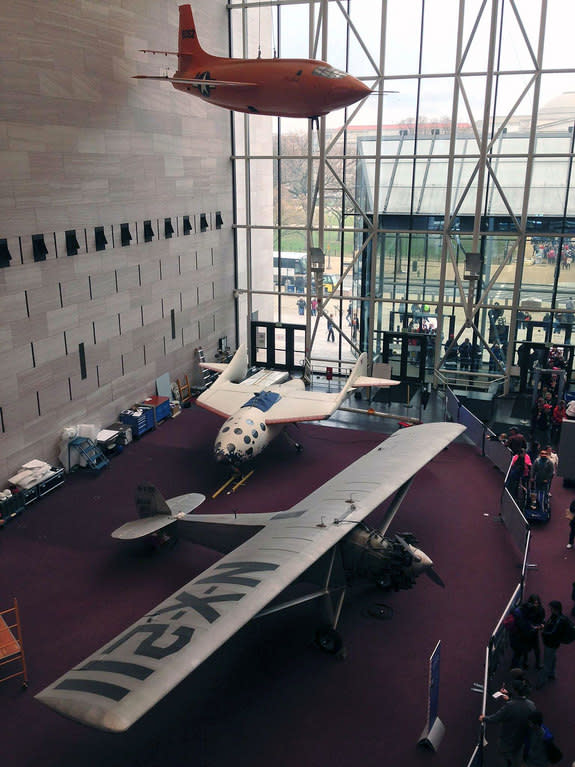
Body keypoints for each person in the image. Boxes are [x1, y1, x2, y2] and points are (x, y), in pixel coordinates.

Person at [479, 679, 535, 767]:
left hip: (508, 737)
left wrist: (484, 718)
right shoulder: (531, 705)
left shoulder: (510, 706)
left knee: (507, 755)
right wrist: (509, 697)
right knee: (517, 755)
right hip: (522, 737)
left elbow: (496, 718)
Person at [539, 600, 569, 686]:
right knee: (553, 656)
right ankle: (552, 673)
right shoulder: (558, 617)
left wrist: (544, 632)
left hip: (551, 644)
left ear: (556, 609)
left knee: (546, 663)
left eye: (551, 608)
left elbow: (552, 633)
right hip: (554, 644)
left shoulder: (558, 620)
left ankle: (541, 681)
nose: (550, 610)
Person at [522, 594, 545, 670]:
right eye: (534, 603)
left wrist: (540, 626)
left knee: (537, 649)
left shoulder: (540, 610)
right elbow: (523, 619)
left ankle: (537, 664)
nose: (536, 605)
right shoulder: (526, 608)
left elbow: (542, 620)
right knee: (525, 648)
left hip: (534, 632)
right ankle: (525, 662)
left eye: (537, 603)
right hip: (526, 632)